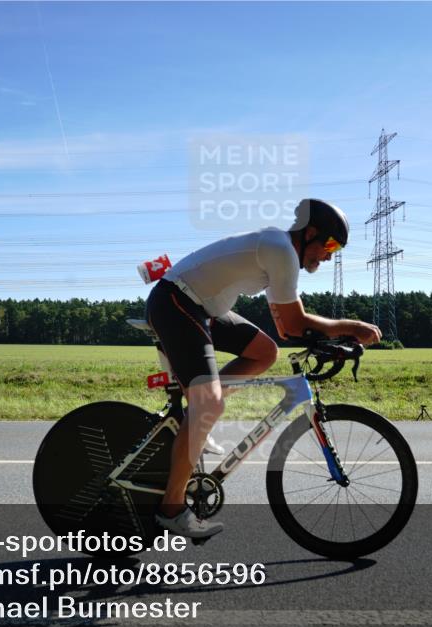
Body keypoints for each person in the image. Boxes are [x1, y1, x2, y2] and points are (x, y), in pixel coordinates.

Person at [145, 198, 382, 538]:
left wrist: (331, 338)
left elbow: (285, 329)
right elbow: (295, 322)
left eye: (336, 250)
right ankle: (171, 509)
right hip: (176, 301)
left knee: (264, 352)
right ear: (310, 233)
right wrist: (351, 327)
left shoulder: (280, 252)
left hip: (202, 307)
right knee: (209, 405)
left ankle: (197, 416)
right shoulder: (280, 249)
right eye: (329, 245)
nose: (330, 256)